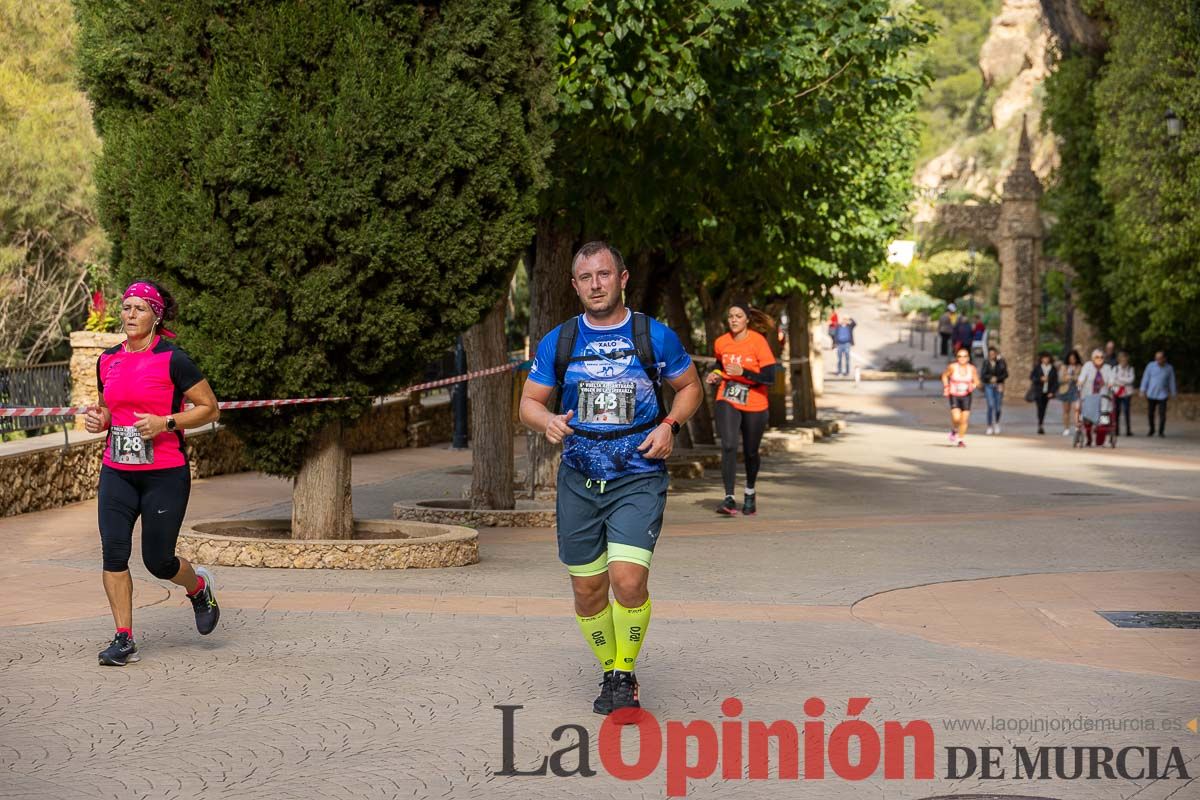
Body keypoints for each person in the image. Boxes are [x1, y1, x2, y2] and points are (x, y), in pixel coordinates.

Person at [519, 241, 702, 718]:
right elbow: (529, 404)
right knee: (588, 590)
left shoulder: (653, 336)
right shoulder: (559, 341)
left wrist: (670, 426)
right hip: (579, 477)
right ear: (575, 285)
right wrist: (547, 423)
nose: (595, 285)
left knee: (627, 580)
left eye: (604, 275)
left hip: (638, 474)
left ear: (622, 279)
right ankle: (611, 668)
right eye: (586, 278)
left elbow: (690, 388)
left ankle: (622, 674)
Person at [82, 281, 222, 667]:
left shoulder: (174, 359)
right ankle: (124, 638)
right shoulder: (107, 360)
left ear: (156, 316)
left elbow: (210, 408)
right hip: (117, 472)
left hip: (165, 473)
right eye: (125, 307)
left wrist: (167, 422)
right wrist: (101, 420)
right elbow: (109, 408)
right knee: (114, 554)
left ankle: (198, 589)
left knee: (158, 560)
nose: (129, 315)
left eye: (139, 308)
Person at [706, 303, 777, 516]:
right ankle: (729, 498)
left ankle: (750, 492)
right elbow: (719, 364)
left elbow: (770, 378)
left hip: (755, 401)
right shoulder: (721, 342)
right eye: (730, 317)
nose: (734, 320)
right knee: (728, 445)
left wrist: (744, 372)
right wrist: (716, 374)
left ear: (747, 319)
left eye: (738, 316)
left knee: (750, 451)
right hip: (728, 396)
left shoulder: (758, 342)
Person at [1077, 348, 1115, 446]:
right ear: (1092, 358)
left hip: (1103, 397)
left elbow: (1111, 378)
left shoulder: (1107, 367)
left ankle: (1100, 441)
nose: (1099, 359)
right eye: (1097, 357)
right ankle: (1088, 439)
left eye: (1101, 357)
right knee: (1088, 420)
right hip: (1089, 396)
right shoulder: (1087, 366)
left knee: (1104, 419)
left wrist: (1111, 384)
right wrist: (1080, 381)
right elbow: (1082, 376)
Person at [942, 347, 979, 446]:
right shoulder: (952, 367)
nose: (962, 358)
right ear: (957, 357)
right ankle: (954, 429)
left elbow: (977, 381)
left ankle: (960, 439)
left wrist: (973, 386)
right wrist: (946, 386)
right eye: (959, 356)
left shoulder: (972, 369)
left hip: (966, 395)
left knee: (964, 419)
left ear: (968, 358)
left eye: (964, 356)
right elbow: (945, 376)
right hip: (954, 394)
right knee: (956, 417)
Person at [1140, 351, 1178, 437]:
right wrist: (1143, 389)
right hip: (1151, 394)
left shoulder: (1169, 368)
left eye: (1160, 358)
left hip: (1163, 395)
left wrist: (1173, 393)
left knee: (1162, 414)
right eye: (1156, 358)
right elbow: (1145, 377)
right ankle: (1152, 429)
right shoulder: (1150, 366)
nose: (1158, 360)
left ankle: (1161, 431)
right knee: (1150, 413)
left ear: (1164, 359)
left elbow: (1172, 381)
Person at [979, 345, 1008, 435]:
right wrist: (990, 378)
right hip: (989, 386)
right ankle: (989, 425)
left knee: (998, 407)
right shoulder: (986, 362)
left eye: (993, 354)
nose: (992, 355)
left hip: (999, 385)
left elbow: (1005, 374)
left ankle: (997, 423)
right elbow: (983, 375)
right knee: (991, 405)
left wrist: (998, 378)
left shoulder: (1001, 362)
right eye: (990, 354)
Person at [1029, 351, 1059, 434]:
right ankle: (1040, 424)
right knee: (1039, 407)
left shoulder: (1053, 368)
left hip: (1047, 392)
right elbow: (1032, 377)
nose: (1045, 360)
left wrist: (1052, 392)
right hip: (1038, 391)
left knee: (1044, 408)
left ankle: (1041, 423)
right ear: (1041, 359)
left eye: (1047, 358)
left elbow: (1055, 382)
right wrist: (1040, 379)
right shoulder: (1038, 367)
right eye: (1044, 358)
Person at [1058, 350, 1082, 436]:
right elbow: (1060, 379)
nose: (1072, 360)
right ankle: (1066, 428)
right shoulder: (1064, 367)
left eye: (1074, 359)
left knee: (1077, 409)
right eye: (1071, 359)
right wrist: (1067, 378)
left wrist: (1074, 377)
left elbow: (1081, 378)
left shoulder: (1080, 367)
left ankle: (1077, 426)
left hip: (1076, 389)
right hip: (1065, 389)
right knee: (1066, 411)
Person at [1112, 351, 1136, 436]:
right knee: (1117, 412)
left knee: (1126, 411)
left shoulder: (1130, 369)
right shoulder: (1115, 369)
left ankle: (1128, 430)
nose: (1123, 361)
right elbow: (1113, 380)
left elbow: (1131, 380)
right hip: (1117, 392)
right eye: (1121, 359)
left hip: (1127, 393)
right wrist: (1124, 381)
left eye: (1125, 359)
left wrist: (1120, 380)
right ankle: (1116, 430)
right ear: (1119, 360)